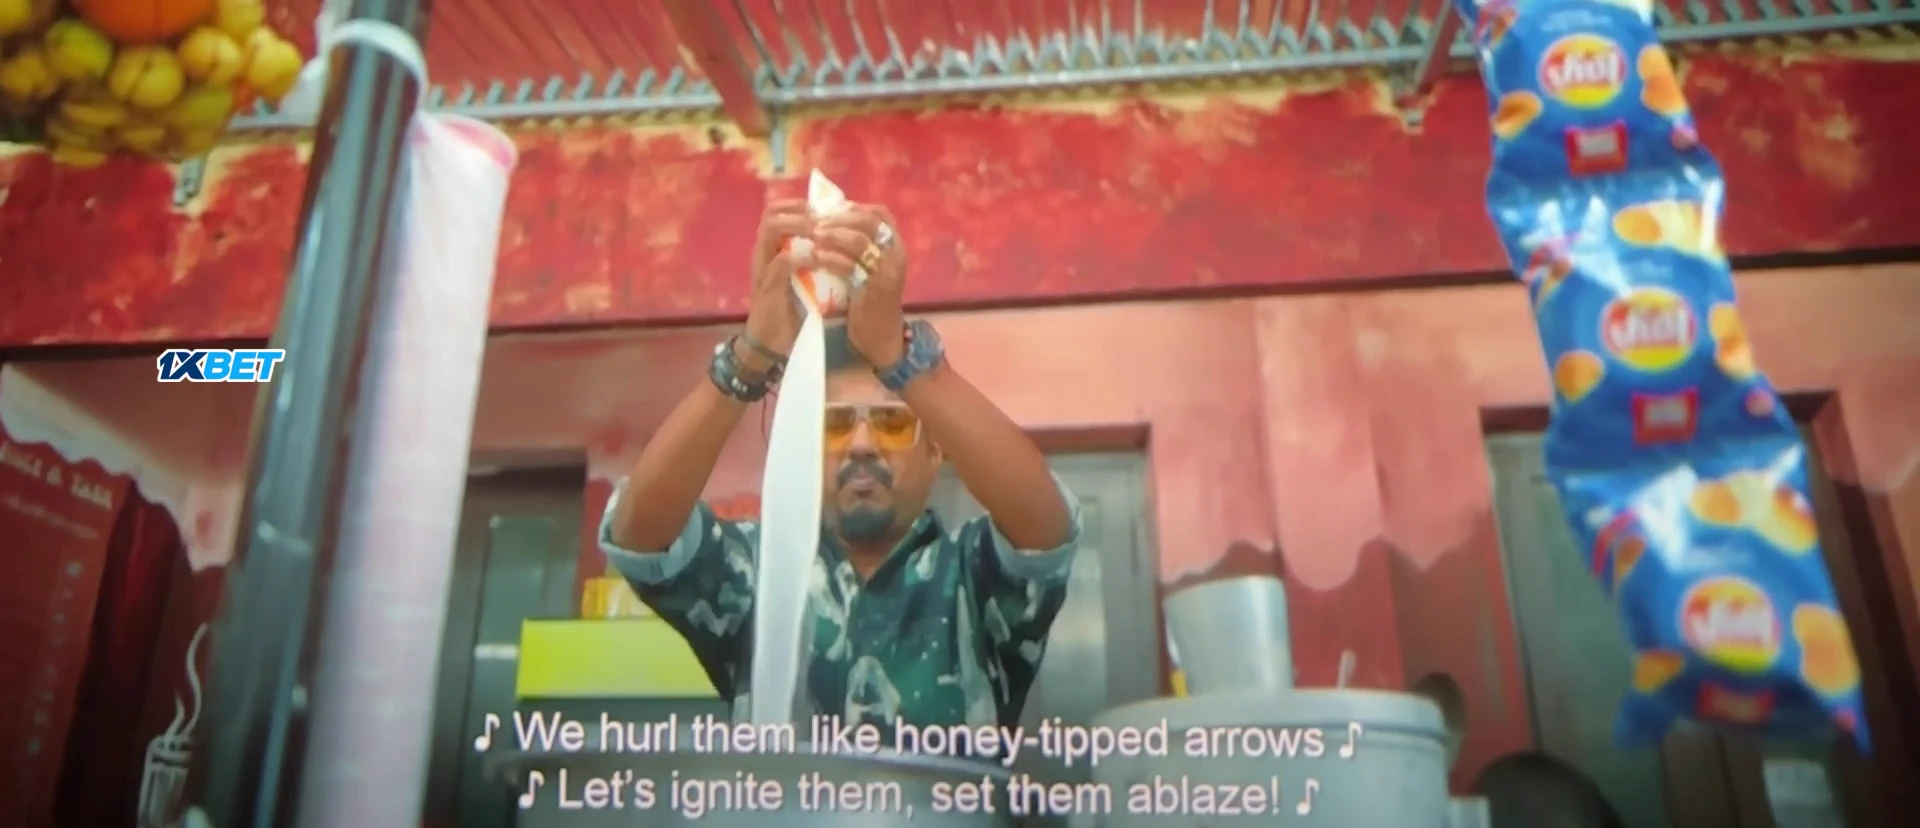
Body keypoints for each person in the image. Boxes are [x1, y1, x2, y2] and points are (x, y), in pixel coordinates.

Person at [602, 198, 1082, 737]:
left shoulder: (971, 577)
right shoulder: (759, 573)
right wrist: (751, 356)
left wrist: (900, 357)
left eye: (890, 422)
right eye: (834, 423)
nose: (861, 445)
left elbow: (1045, 528)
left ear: (935, 451)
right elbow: (640, 536)